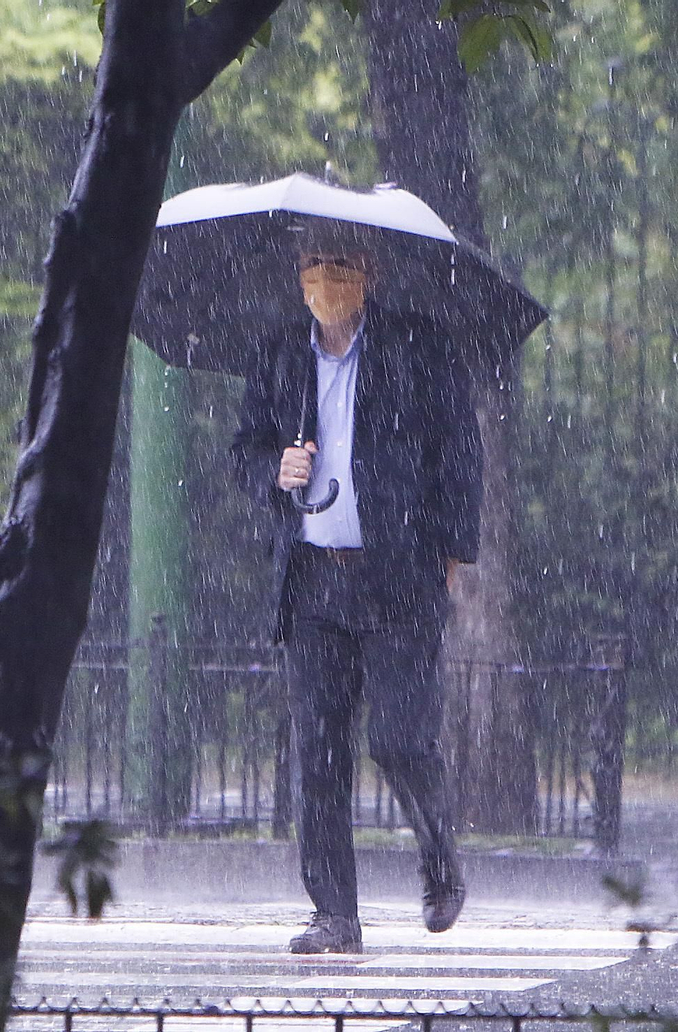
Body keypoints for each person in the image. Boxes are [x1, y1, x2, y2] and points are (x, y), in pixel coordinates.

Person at [230, 221, 484, 954]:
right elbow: (245, 447)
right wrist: (273, 467)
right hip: (312, 582)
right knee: (319, 752)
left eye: (338, 262)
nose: (324, 279)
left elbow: (458, 452)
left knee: (402, 739)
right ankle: (334, 913)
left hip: (399, 576)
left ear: (367, 269)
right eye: (312, 264)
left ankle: (440, 860)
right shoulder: (280, 354)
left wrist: (450, 551)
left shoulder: (417, 348)